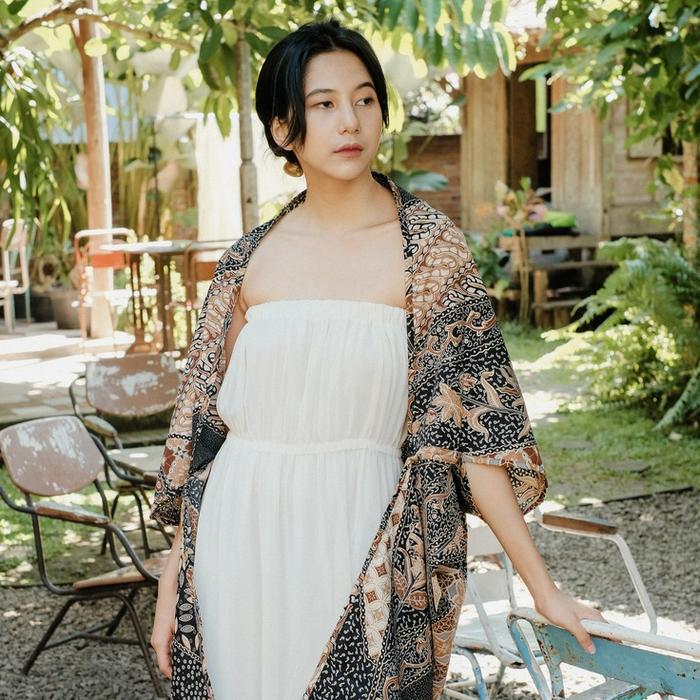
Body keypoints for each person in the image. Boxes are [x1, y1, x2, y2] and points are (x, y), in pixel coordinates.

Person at [149, 18, 606, 699]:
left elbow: (475, 435)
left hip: (362, 533)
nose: (350, 121)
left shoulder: (429, 253)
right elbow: (205, 440)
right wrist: (172, 580)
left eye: (364, 99)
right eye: (324, 104)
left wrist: (545, 588)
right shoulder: (248, 261)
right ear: (283, 128)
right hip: (237, 536)